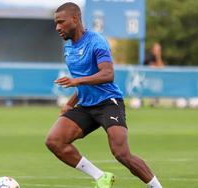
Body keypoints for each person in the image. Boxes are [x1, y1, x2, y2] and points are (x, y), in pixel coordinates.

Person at [45, 2, 162, 188]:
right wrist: (70, 103)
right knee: (54, 141)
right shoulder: (68, 49)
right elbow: (83, 80)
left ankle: (157, 187)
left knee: (121, 153)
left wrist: (76, 81)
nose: (57, 27)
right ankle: (101, 176)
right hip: (86, 105)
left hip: (109, 102)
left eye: (61, 22)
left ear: (75, 19)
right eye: (56, 23)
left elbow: (108, 74)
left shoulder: (96, 41)